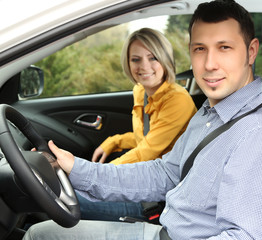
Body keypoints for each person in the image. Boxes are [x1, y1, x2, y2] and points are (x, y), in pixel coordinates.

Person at [23, 0, 262, 239]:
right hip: (163, 230)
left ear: (251, 52)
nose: (210, 63)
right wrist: (76, 168)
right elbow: (166, 173)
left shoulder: (261, 133)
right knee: (40, 233)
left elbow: (244, 237)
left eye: (224, 47)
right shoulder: (210, 112)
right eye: (200, 49)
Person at [76, 28, 197, 222]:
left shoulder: (178, 100)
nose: (144, 66)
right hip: (141, 176)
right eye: (136, 59)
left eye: (153, 58)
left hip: (159, 195)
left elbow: (146, 152)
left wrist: (97, 176)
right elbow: (145, 138)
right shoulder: (140, 90)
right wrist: (113, 142)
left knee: (73, 199)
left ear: (165, 59)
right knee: (68, 194)